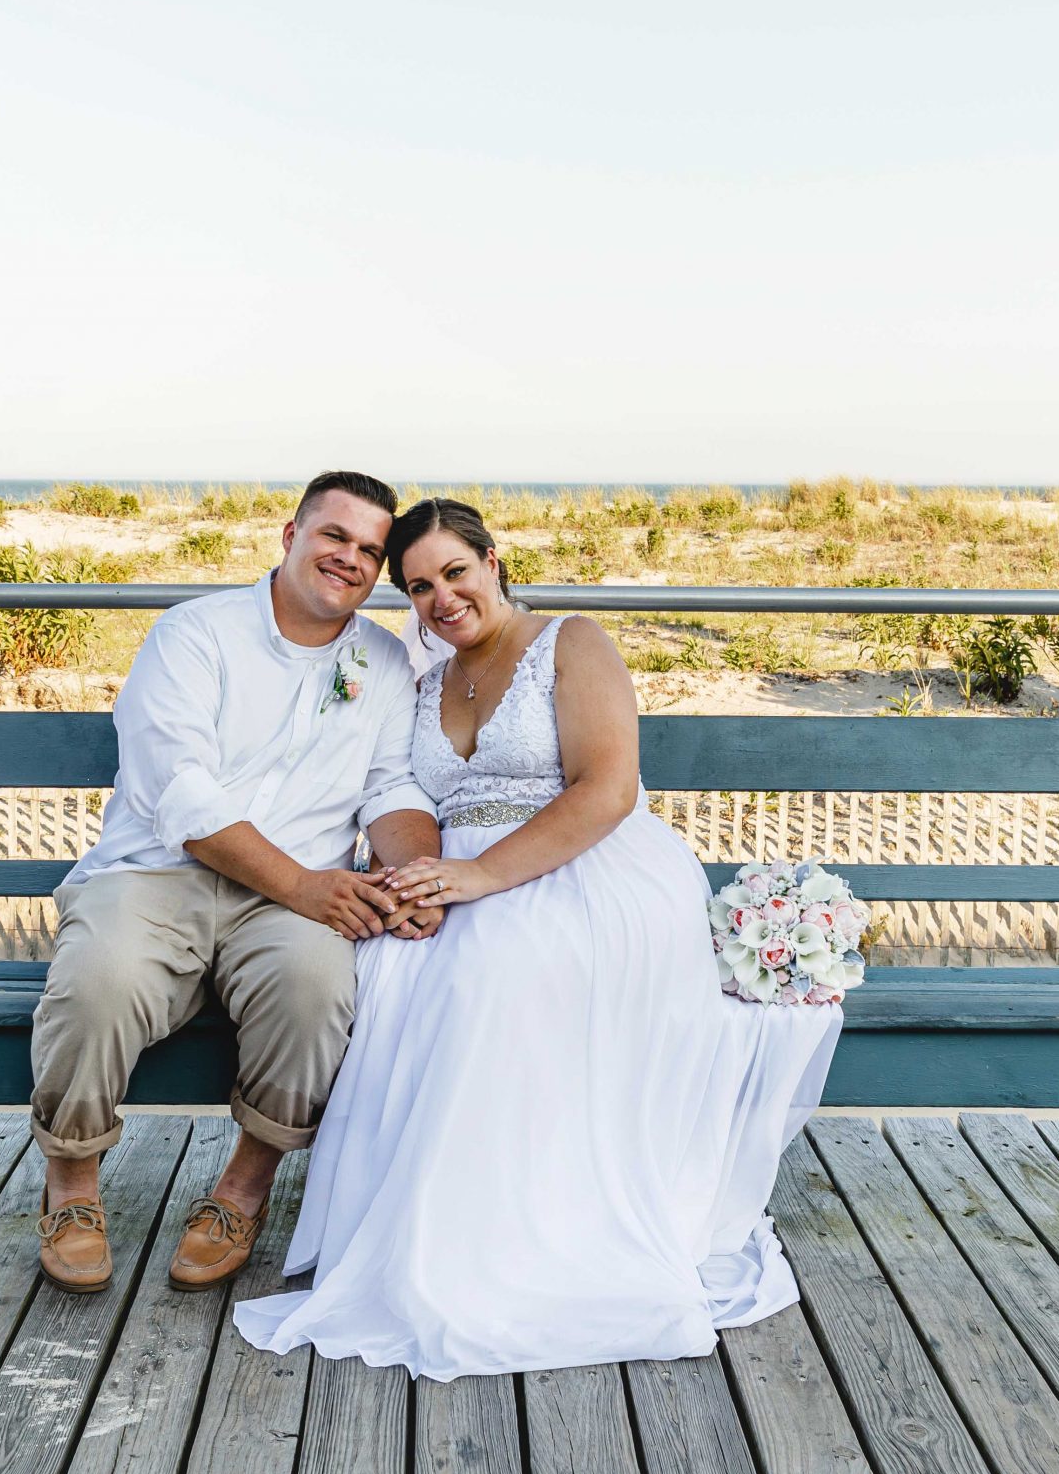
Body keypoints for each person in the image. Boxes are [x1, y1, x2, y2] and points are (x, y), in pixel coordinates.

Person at [233, 499, 841, 1378]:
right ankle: (431, 1232)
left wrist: (479, 878)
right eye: (417, 587)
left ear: (492, 561)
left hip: (584, 865)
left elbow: (606, 791)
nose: (441, 598)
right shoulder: (421, 675)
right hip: (453, 870)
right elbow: (398, 791)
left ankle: (526, 1242)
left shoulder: (571, 642)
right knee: (395, 968)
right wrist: (417, 880)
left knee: (491, 973)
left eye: (455, 572)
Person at [31, 471, 442, 1294]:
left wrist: (412, 875)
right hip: (157, 876)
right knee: (98, 980)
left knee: (317, 987)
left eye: (370, 550)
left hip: (291, 906)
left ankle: (242, 1191)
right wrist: (304, 887)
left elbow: (391, 785)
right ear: (291, 537)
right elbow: (180, 790)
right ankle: (71, 1186)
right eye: (335, 535)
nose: (349, 558)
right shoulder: (196, 634)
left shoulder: (385, 661)